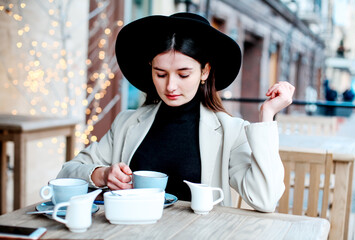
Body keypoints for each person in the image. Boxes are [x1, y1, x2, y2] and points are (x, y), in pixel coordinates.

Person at [57, 12, 295, 212]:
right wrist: (102, 174)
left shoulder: (229, 132)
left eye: (183, 74)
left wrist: (267, 115)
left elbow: (265, 199)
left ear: (204, 71)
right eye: (161, 74)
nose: (170, 86)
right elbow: (67, 171)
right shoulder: (127, 123)